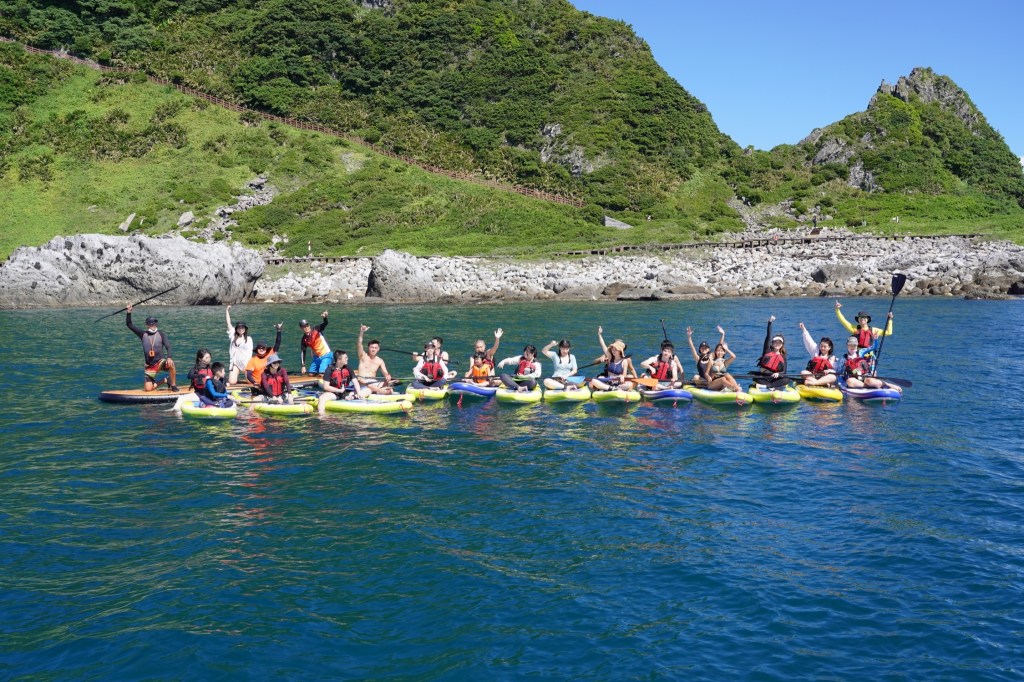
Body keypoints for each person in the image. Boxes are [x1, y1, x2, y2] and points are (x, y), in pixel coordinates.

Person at [126, 304, 177, 391]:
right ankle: (165, 380)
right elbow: (129, 324)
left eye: (154, 324)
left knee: (171, 364)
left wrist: (169, 357)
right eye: (151, 324)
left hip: (161, 362)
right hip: (150, 365)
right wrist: (129, 312)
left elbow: (168, 346)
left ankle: (173, 385)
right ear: (147, 325)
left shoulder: (161, 334)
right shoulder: (143, 334)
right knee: (148, 389)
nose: (153, 326)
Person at [835, 300, 893, 371]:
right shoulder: (854, 329)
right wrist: (837, 310)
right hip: (858, 356)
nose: (862, 319)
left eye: (864, 317)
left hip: (870, 356)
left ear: (867, 319)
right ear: (858, 320)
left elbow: (888, 332)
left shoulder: (873, 330)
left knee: (871, 373)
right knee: (858, 372)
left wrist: (890, 319)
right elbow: (843, 321)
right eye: (861, 318)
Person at [590, 326, 635, 391]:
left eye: (615, 349)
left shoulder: (624, 361)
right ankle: (610, 388)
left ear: (620, 351)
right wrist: (599, 334)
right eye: (612, 349)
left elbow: (625, 374)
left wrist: (622, 376)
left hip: (618, 383)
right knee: (593, 380)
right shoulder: (610, 357)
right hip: (608, 381)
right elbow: (603, 346)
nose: (613, 351)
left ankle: (615, 388)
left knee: (629, 384)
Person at [244, 323, 283, 396]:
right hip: (259, 385)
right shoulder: (253, 360)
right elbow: (249, 375)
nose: (261, 349)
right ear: (257, 349)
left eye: (263, 348)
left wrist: (279, 331)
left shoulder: (270, 354)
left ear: (266, 349)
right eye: (259, 348)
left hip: (270, 382)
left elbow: (277, 343)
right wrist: (254, 382)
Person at [356, 325, 394, 394]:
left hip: (374, 383)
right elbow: (359, 344)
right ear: (368, 348)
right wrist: (362, 332)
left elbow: (385, 373)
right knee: (369, 388)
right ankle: (380, 391)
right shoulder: (362, 356)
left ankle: (383, 392)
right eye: (372, 347)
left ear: (378, 349)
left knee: (390, 385)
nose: (373, 349)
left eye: (375, 348)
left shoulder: (380, 361)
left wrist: (387, 376)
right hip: (363, 383)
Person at [753, 316, 789, 389]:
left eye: (779, 342)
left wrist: (778, 374)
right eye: (775, 342)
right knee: (755, 377)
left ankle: (767, 386)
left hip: (774, 378)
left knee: (787, 379)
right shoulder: (767, 350)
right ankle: (773, 386)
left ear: (782, 345)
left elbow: (784, 372)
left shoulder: (783, 357)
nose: (777, 344)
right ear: (772, 343)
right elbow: (768, 336)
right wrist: (769, 323)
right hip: (763, 377)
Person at [798, 322, 838, 387]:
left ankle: (814, 383)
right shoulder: (815, 352)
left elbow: (836, 371)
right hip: (813, 376)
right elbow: (809, 340)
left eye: (825, 347)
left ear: (829, 347)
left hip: (824, 377)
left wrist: (829, 371)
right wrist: (803, 329)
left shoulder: (832, 358)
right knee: (803, 372)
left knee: (833, 377)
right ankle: (820, 383)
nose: (822, 348)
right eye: (821, 346)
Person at [225, 305, 252, 384]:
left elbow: (249, 353)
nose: (241, 329)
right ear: (236, 329)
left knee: (250, 381)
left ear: (245, 329)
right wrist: (227, 311)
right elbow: (228, 323)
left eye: (242, 327)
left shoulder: (249, 339)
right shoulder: (233, 335)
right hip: (235, 362)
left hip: (245, 363)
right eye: (239, 328)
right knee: (232, 382)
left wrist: (246, 366)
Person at [299, 311, 332, 376]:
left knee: (321, 374)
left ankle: (328, 370)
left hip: (326, 355)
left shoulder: (316, 329)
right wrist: (303, 366)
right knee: (310, 374)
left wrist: (325, 317)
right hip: (317, 357)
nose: (306, 327)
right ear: (301, 328)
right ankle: (324, 369)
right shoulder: (304, 339)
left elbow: (325, 323)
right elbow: (303, 352)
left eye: (307, 325)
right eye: (304, 326)